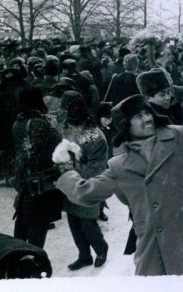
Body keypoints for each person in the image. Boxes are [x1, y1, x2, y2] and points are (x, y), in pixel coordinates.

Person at [54, 94, 183, 276]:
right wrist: (66, 172)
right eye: (138, 116)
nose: (147, 119)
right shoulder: (119, 166)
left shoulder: (176, 137)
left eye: (147, 113)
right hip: (155, 249)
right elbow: (86, 193)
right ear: (126, 124)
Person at [56, 91, 109, 271]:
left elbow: (98, 166)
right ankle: (84, 256)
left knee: (88, 224)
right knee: (74, 223)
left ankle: (102, 249)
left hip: (87, 185)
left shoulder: (95, 135)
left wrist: (71, 172)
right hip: (69, 185)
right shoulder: (64, 128)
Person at [11, 87, 64, 249]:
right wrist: (53, 127)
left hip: (24, 179)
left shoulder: (18, 122)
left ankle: (19, 256)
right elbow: (50, 148)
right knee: (38, 227)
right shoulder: (39, 123)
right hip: (41, 182)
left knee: (23, 223)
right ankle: (33, 262)